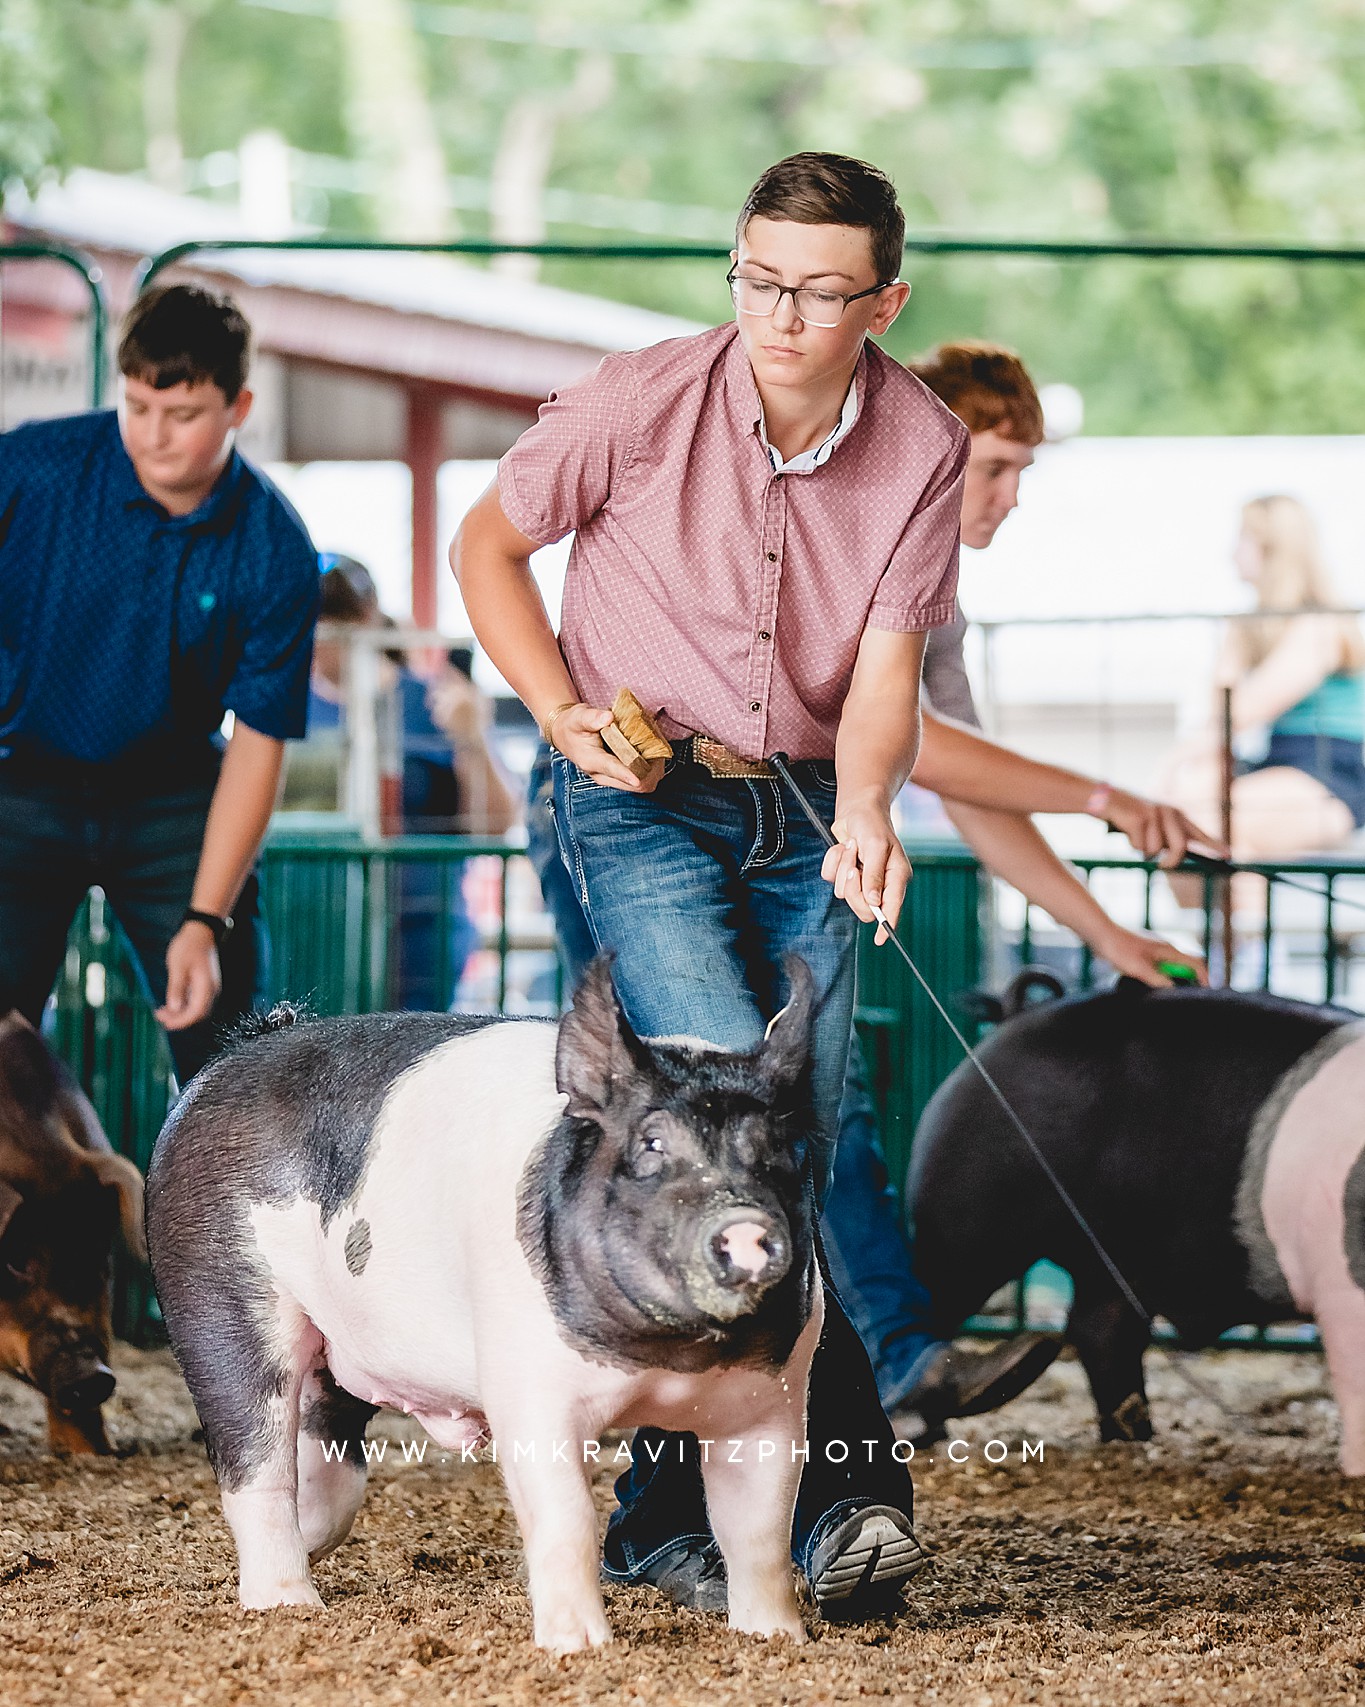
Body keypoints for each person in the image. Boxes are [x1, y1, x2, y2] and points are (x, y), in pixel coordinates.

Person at [456, 152, 961, 1619]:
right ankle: (857, 1483)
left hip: (806, 802)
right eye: (755, 279)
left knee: (808, 1119)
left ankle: (665, 1505)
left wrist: (868, 801)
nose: (781, 315)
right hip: (636, 796)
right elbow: (489, 543)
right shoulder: (635, 398)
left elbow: (885, 665)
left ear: (884, 298)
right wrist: (556, 708)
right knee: (724, 1108)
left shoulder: (920, 443)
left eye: (817, 290)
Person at [822, 340, 1225, 1438]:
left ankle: (884, 1370)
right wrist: (1104, 795)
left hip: (788, 844)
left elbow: (969, 788)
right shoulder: (847, 539)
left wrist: (1111, 934)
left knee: (816, 1090)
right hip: (649, 817)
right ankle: (880, 1363)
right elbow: (925, 748)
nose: (1005, 497)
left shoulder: (933, 600)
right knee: (753, 1093)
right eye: (992, 467)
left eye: (1018, 473)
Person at [0, 283, 319, 1082]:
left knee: (231, 1060)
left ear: (238, 404)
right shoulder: (30, 470)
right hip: (20, 781)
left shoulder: (275, 547)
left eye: (181, 415)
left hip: (173, 801)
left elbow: (259, 741)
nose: (152, 435)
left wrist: (205, 919)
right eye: (137, 406)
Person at [281, 556, 517, 1007]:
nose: (324, 638)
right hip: (310, 928)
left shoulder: (435, 701)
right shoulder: (288, 711)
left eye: (338, 619)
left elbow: (496, 824)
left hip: (421, 933)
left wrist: (472, 739)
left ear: (369, 617)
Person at [1162, 494, 1365, 878]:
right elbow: (1220, 715)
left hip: (1332, 772)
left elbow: (1242, 712)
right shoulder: (1254, 626)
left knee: (1207, 819)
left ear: (1272, 548)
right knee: (1180, 816)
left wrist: (1173, 764)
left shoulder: (1319, 626)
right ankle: (1221, 933)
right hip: (1280, 763)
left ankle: (1247, 937)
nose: (1232, 552)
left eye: (1243, 538)